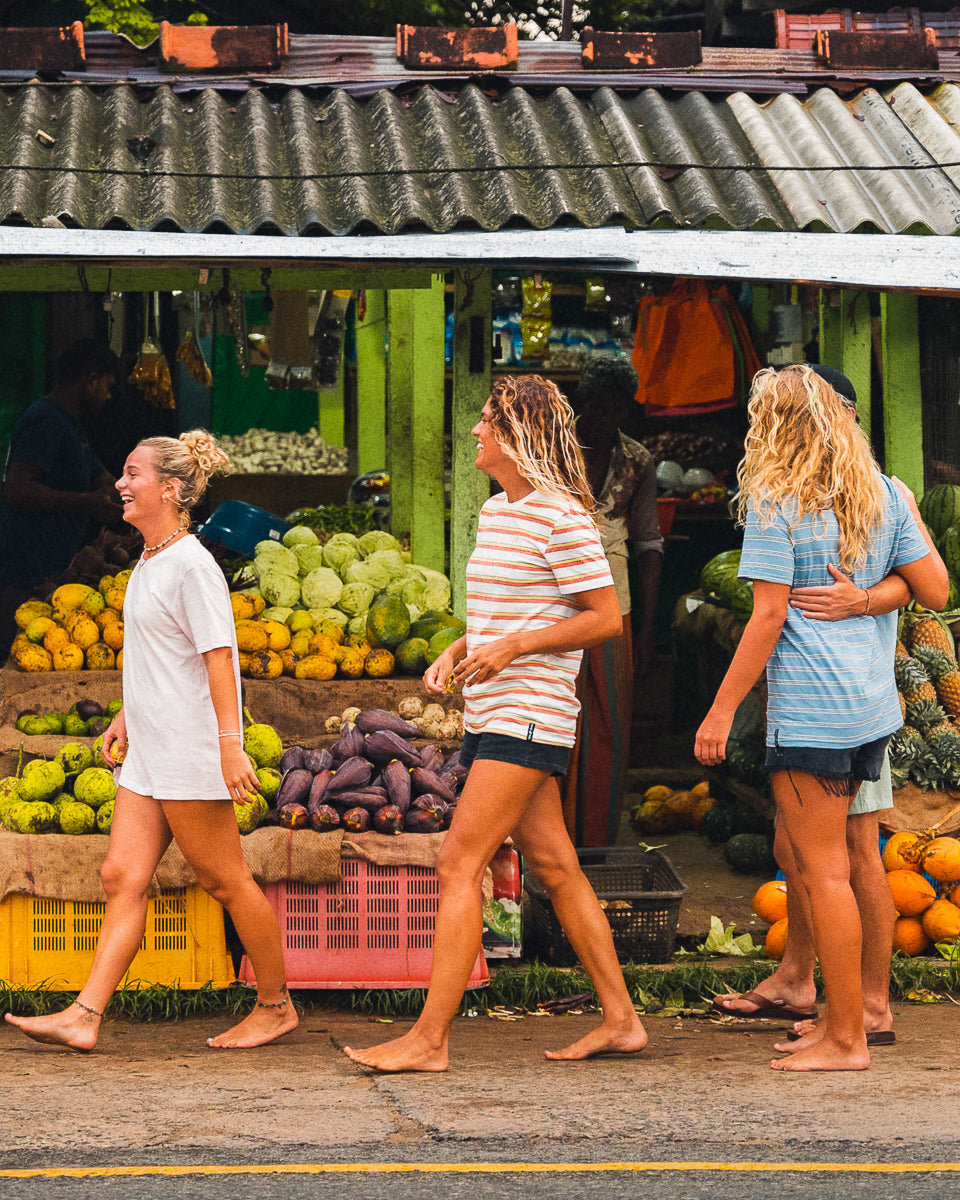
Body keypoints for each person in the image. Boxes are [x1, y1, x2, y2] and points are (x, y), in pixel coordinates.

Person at [344, 375, 647, 1073]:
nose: (475, 432)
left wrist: (513, 648)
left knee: (457, 862)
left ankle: (429, 1039)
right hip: (494, 708)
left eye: (487, 422)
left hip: (532, 712)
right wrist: (460, 648)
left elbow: (603, 619)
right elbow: (506, 613)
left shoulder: (563, 517)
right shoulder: (502, 512)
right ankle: (623, 1019)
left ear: (517, 435)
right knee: (556, 868)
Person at [4, 432, 297, 1052]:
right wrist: (126, 719)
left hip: (190, 750)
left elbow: (221, 659)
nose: (119, 484)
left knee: (225, 881)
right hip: (150, 750)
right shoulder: (151, 558)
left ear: (168, 490)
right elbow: (158, 657)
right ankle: (84, 1016)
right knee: (122, 875)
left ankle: (275, 1005)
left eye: (132, 474)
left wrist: (229, 746)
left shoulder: (192, 565)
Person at [695, 363, 947, 1072]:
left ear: (775, 427)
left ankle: (847, 1037)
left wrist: (719, 711)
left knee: (824, 870)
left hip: (812, 711)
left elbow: (767, 617)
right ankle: (850, 1015)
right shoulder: (881, 496)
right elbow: (933, 586)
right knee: (843, 862)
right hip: (870, 708)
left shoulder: (778, 501)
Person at [565, 358, 663, 846]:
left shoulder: (637, 460)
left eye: (617, 407)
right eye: (598, 406)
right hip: (555, 596)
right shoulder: (551, 449)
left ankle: (596, 837)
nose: (607, 416)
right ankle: (552, 834)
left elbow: (648, 544)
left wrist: (643, 631)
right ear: (582, 405)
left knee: (607, 717)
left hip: (614, 595)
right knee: (559, 709)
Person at [0, 340, 123, 646]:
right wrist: (86, 502)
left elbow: (103, 480)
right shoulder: (46, 421)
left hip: (55, 571)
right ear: (91, 380)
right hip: (27, 574)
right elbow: (15, 489)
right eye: (107, 387)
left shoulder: (72, 426)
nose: (108, 397)